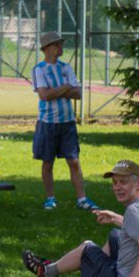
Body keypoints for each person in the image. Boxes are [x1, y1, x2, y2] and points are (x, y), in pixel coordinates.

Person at [22, 160, 139, 277]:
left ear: (138, 184)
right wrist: (114, 217)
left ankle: (47, 271)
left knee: (87, 248)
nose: (117, 187)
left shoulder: (134, 211)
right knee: (115, 235)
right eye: (115, 183)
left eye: (123, 182)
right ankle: (97, 269)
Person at [33, 31, 99, 211]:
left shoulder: (66, 68)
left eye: (61, 44)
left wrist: (58, 90)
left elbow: (77, 93)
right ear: (46, 48)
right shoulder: (39, 69)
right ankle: (50, 198)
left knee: (74, 161)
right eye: (57, 44)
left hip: (67, 123)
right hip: (48, 123)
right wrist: (65, 87)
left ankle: (82, 199)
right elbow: (44, 95)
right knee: (47, 163)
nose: (60, 47)